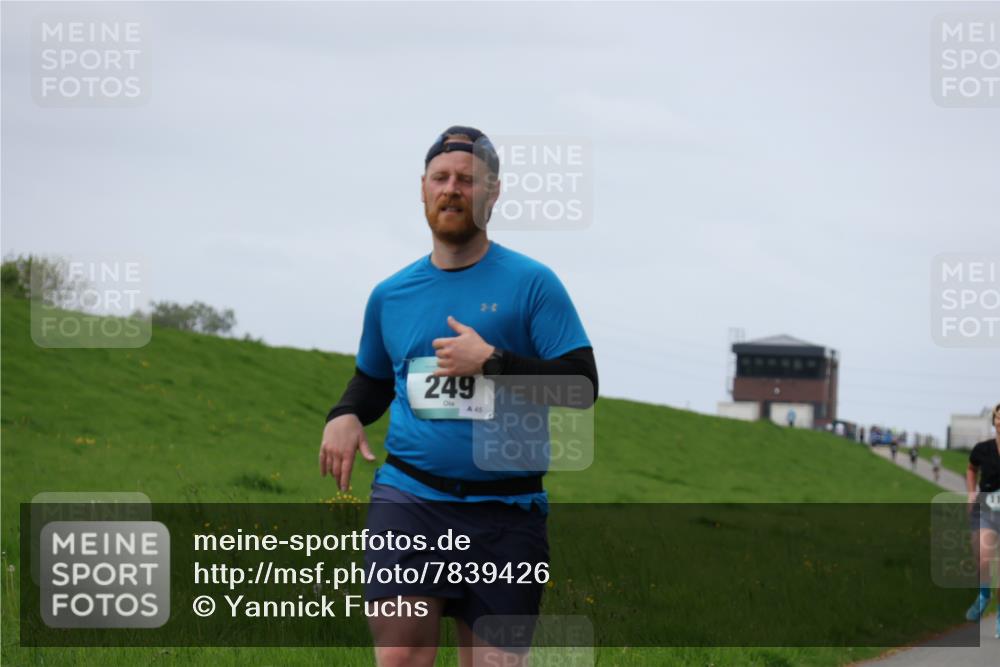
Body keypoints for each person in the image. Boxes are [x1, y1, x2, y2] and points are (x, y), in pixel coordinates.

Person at [318, 126, 598, 667]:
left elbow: (581, 386)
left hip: (506, 513)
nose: (452, 189)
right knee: (400, 657)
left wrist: (491, 363)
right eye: (441, 178)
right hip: (411, 500)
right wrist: (346, 414)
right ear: (422, 189)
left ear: (493, 194)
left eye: (467, 180)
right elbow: (375, 379)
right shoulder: (390, 295)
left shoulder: (533, 284)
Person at [964, 402, 1000, 638]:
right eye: (999, 417)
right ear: (994, 421)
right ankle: (984, 594)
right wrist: (971, 492)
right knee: (985, 557)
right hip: (987, 507)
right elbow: (971, 468)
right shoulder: (982, 449)